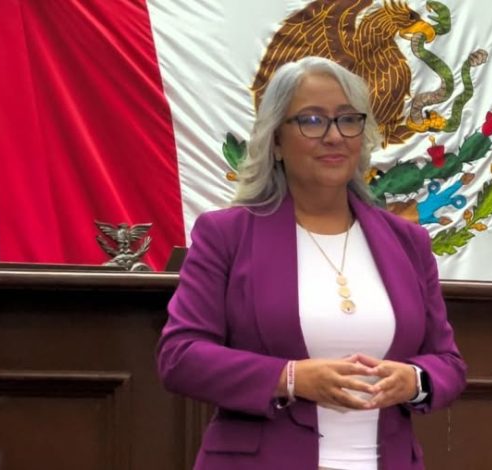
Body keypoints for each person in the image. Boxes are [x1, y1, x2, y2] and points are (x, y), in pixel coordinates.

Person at [156, 56, 467, 470]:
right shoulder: (227, 235)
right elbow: (180, 356)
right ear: (276, 141)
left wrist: (414, 381)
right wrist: (290, 378)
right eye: (312, 120)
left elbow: (448, 363)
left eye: (348, 120)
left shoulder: (407, 242)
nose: (334, 136)